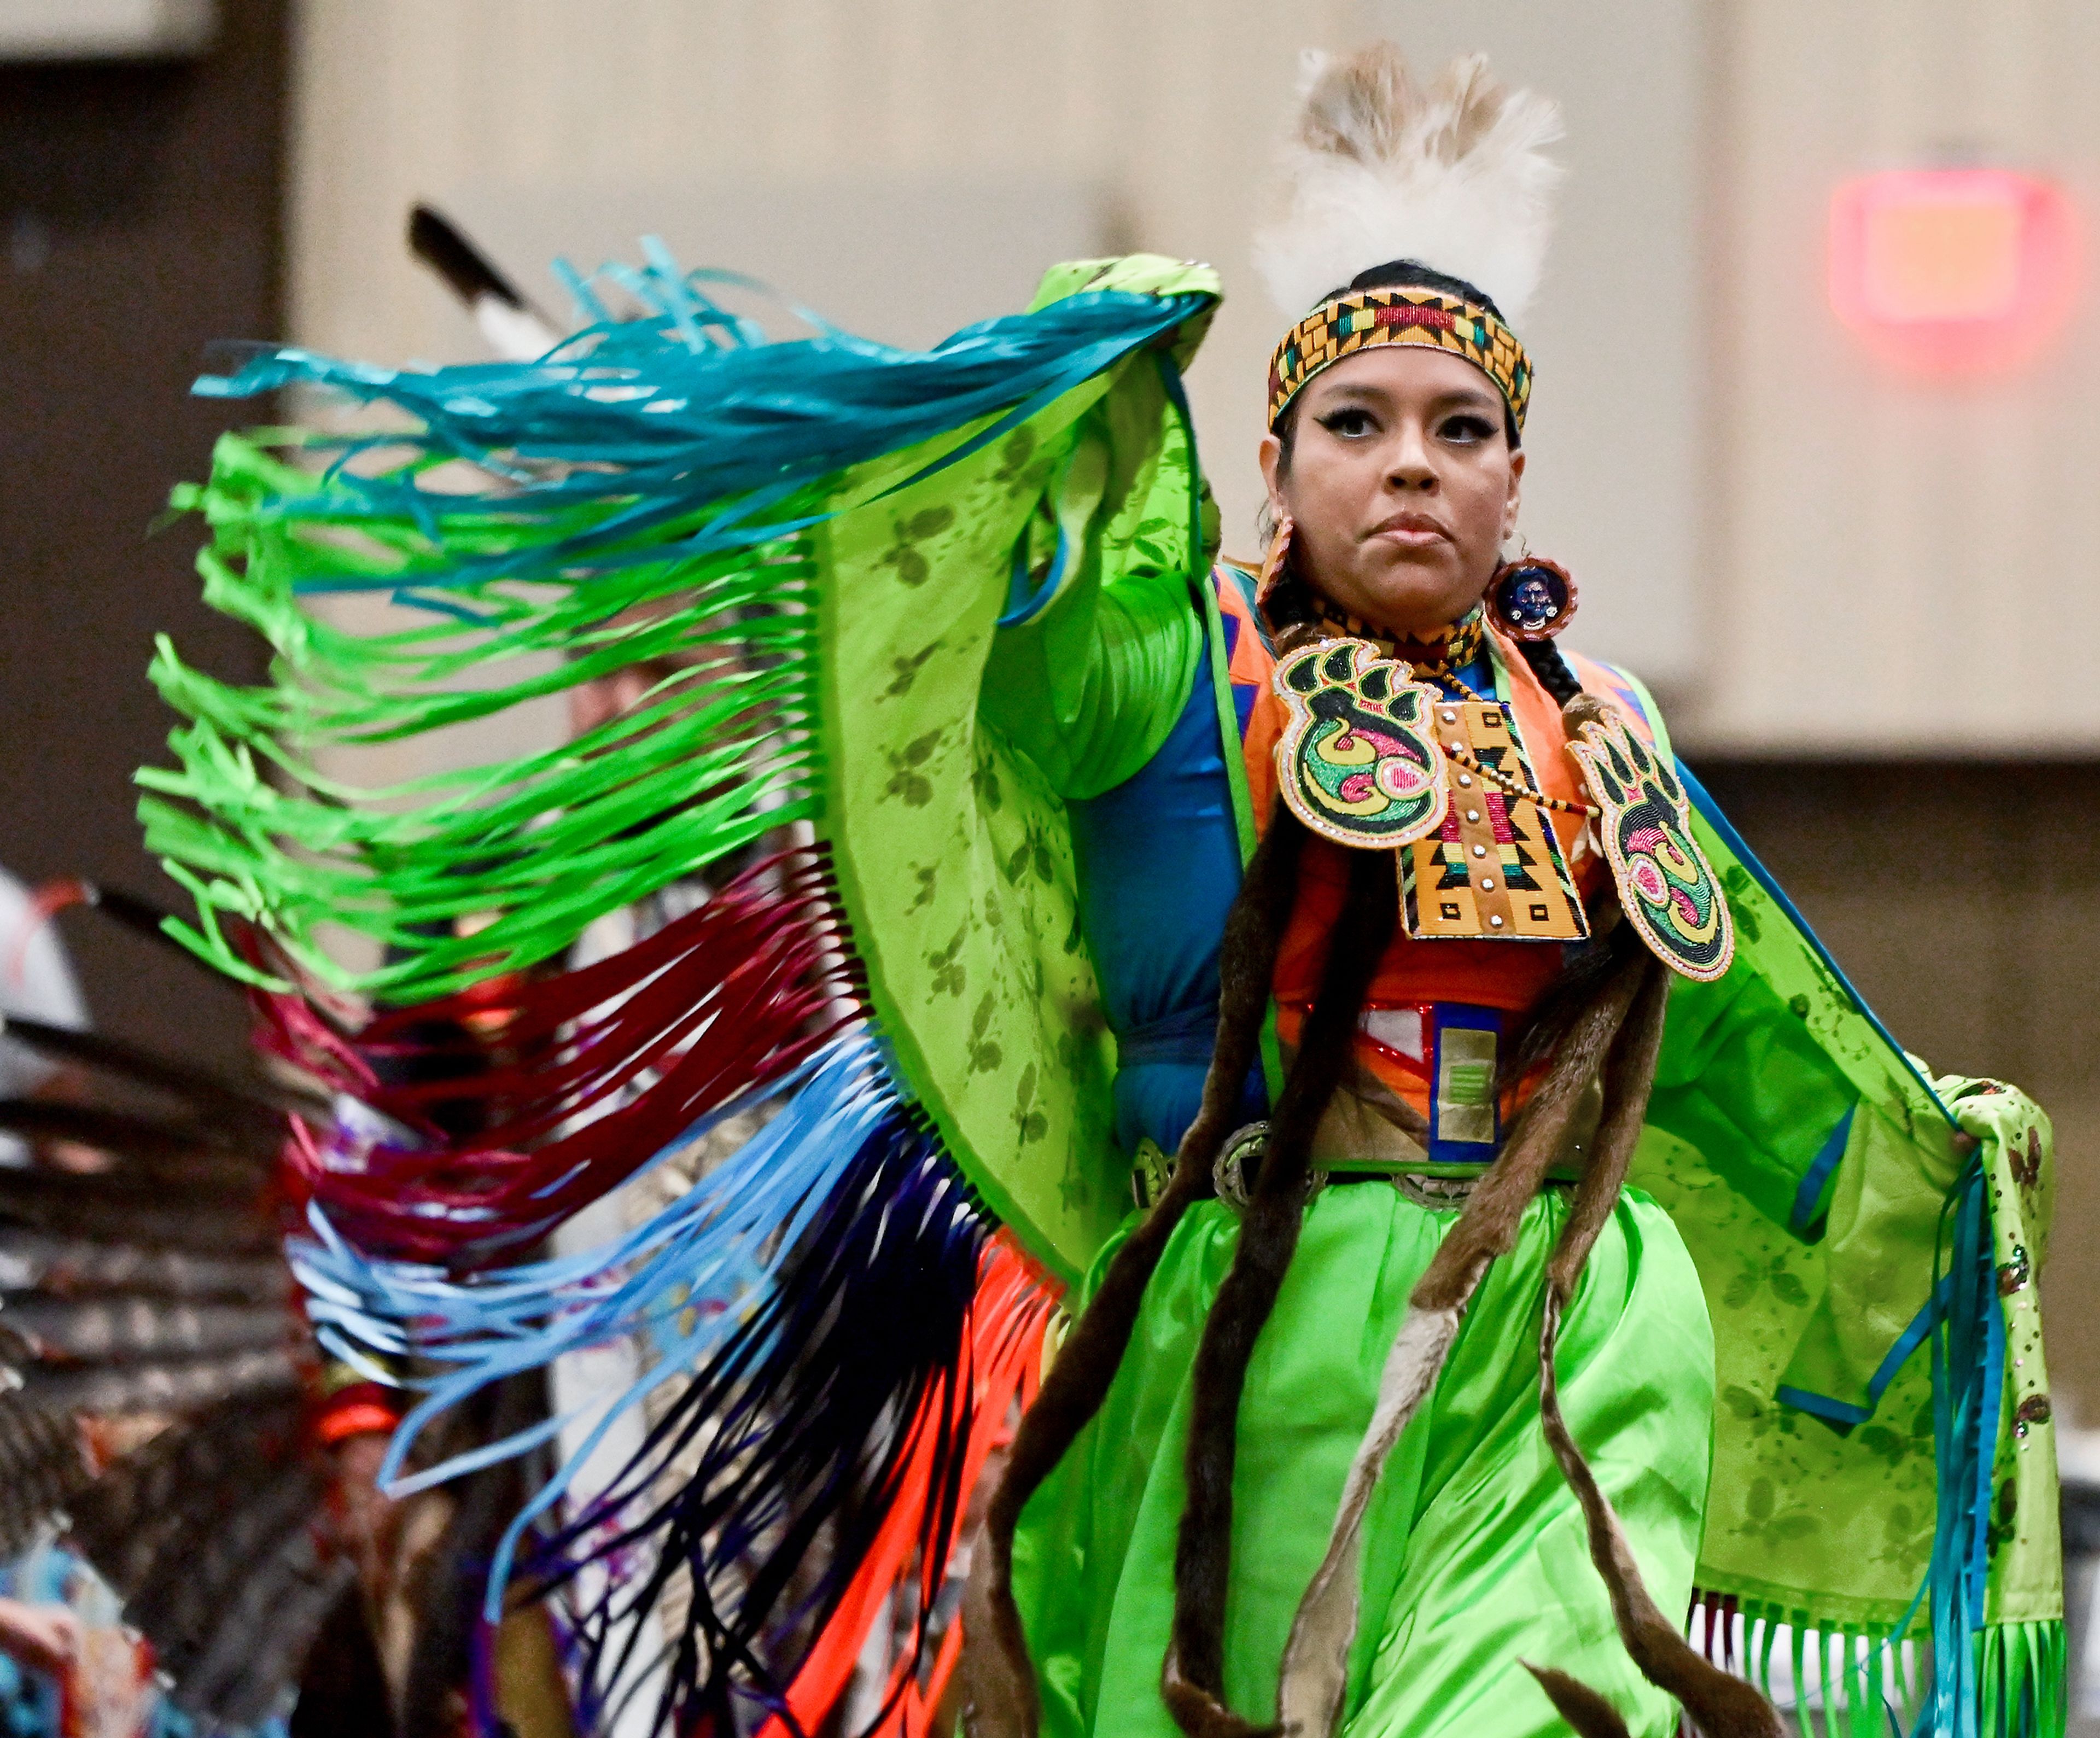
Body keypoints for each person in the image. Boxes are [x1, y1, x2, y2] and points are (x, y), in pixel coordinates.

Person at [139, 41, 2059, 1738]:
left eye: (1460, 431)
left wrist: (1929, 1152)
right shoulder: (1183, 677)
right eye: (1360, 427)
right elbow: (1026, 669)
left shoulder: (1600, 725)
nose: (1414, 468)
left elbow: (1738, 1048)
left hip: (1571, 1314)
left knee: (1545, 1696)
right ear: (1275, 464)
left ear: (1517, 476)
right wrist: (1087, 409)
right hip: (1264, 1306)